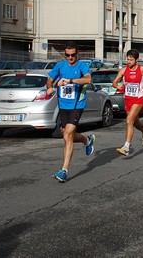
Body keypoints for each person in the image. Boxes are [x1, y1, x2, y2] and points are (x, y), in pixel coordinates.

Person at [47, 41, 96, 183]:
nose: (70, 58)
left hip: (77, 105)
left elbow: (88, 79)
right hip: (63, 106)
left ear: (77, 53)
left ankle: (64, 170)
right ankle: (87, 140)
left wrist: (70, 81)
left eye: (72, 55)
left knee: (68, 134)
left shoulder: (82, 66)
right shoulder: (60, 66)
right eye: (67, 55)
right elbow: (50, 80)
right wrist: (50, 86)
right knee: (66, 135)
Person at [112, 49, 143, 156]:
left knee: (129, 120)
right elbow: (114, 82)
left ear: (136, 60)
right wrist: (117, 85)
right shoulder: (123, 70)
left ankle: (126, 146)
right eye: (127, 59)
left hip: (139, 98)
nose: (128, 61)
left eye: (131, 60)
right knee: (134, 122)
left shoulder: (142, 69)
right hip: (128, 99)